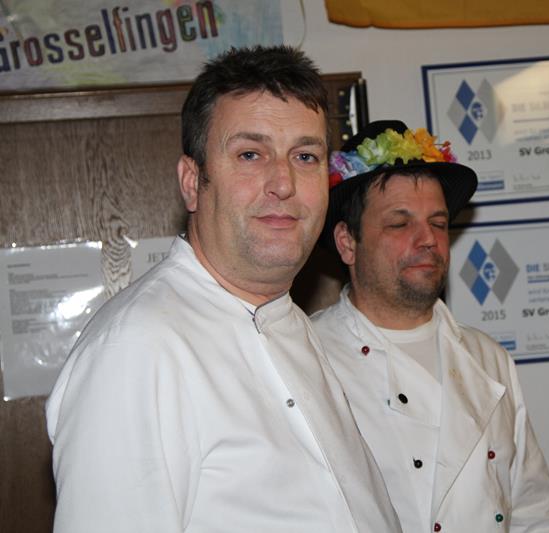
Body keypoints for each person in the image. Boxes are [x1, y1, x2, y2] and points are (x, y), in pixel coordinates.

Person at [45, 46, 401, 533]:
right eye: (250, 154)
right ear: (193, 182)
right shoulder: (139, 348)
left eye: (305, 156)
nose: (283, 183)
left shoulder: (287, 318)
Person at [312, 120, 549, 533]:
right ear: (347, 243)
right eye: (400, 224)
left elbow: (535, 508)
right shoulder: (309, 359)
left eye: (438, 222)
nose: (428, 239)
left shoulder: (488, 357)